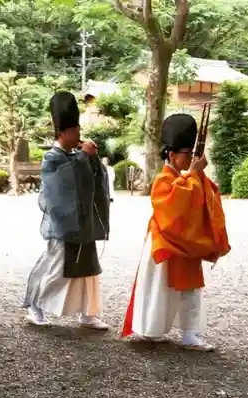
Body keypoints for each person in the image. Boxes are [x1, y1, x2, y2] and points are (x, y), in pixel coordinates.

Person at [121, 113, 230, 351]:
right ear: (172, 155)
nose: (191, 158)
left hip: (184, 240)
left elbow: (202, 194)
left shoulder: (184, 177)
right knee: (159, 287)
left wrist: (196, 174)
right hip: (165, 239)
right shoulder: (163, 179)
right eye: (187, 154)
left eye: (193, 154)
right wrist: (193, 174)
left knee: (190, 288)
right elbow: (175, 203)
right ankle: (152, 329)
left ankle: (190, 333)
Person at [23, 91, 111, 330]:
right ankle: (36, 306)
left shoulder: (74, 155)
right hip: (63, 224)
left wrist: (92, 160)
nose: (78, 135)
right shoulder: (52, 158)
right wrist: (84, 158)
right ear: (61, 133)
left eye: (78, 130)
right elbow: (63, 184)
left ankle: (88, 312)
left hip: (83, 222)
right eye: (74, 131)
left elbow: (91, 179)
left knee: (89, 269)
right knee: (57, 268)